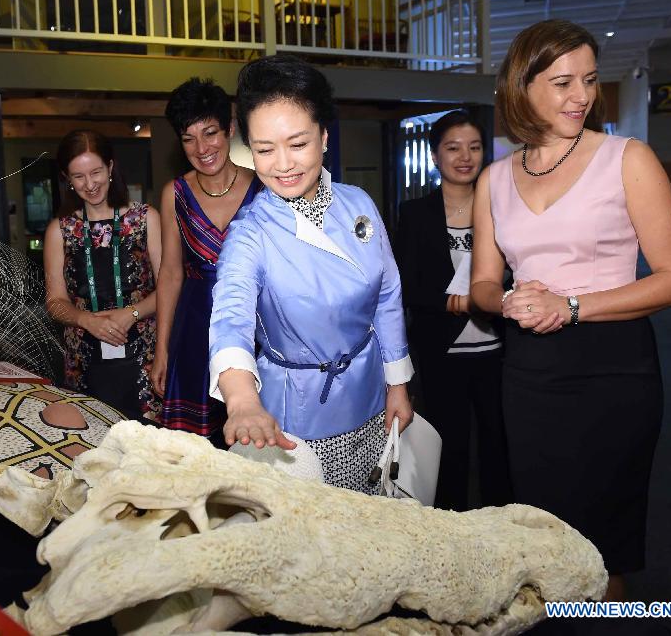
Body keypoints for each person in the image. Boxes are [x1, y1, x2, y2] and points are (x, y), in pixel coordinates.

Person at [470, 20, 671, 598]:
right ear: (522, 87)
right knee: (545, 535)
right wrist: (510, 300)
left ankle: (610, 624)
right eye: (563, 82)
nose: (582, 97)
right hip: (529, 373)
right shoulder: (494, 178)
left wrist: (570, 306)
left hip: (613, 369)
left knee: (602, 545)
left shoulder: (628, 158)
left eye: (590, 80)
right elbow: (483, 286)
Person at [208, 55, 414, 494]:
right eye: (265, 150)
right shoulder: (249, 234)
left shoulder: (358, 202)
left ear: (323, 137)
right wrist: (242, 401)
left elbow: (387, 294)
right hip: (300, 420)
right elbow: (230, 319)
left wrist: (397, 383)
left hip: (372, 396)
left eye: (297, 143)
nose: (282, 164)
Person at [394, 110, 512, 511]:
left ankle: (503, 525)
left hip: (499, 351)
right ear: (435, 155)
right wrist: (453, 301)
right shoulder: (415, 214)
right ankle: (451, 526)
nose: (465, 157)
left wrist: (496, 297)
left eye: (474, 147)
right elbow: (404, 284)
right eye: (453, 148)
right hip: (442, 351)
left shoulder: (502, 209)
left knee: (500, 446)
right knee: (449, 448)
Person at [151, 78, 261, 446]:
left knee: (254, 442)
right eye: (189, 139)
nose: (201, 148)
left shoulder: (265, 189)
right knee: (197, 453)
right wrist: (162, 349)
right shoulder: (175, 194)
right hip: (194, 329)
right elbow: (170, 274)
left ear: (230, 129)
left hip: (255, 326)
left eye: (210, 133)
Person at [44, 130, 162, 421]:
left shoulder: (145, 219)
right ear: (67, 179)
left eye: (95, 172)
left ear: (110, 167)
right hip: (84, 359)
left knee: (149, 442)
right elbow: (55, 301)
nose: (90, 184)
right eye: (78, 176)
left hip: (145, 356)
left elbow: (169, 289)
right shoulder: (60, 230)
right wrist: (85, 320)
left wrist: (131, 313)